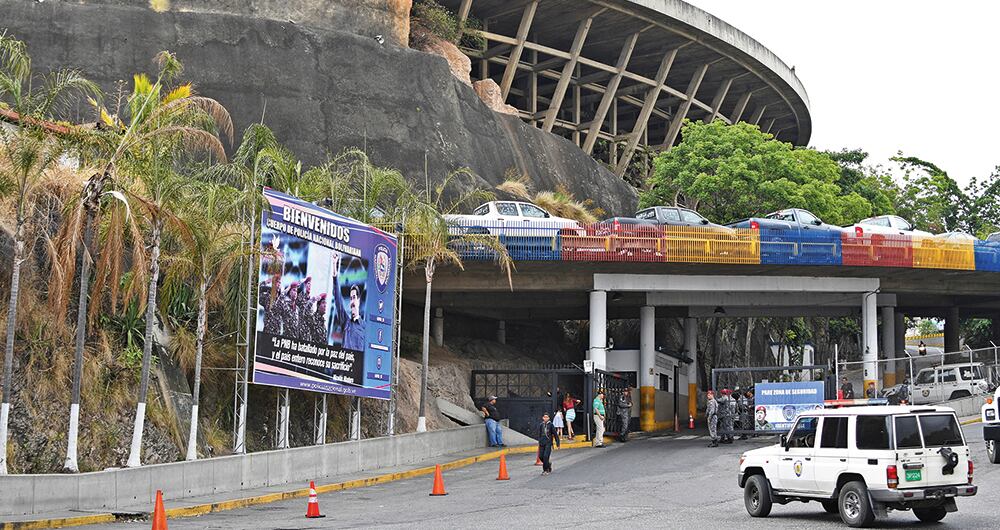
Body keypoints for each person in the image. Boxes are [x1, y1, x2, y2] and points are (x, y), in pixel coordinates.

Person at [330, 254, 366, 351]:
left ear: (358, 300)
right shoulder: (346, 321)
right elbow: (338, 299)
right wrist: (334, 266)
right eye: (350, 298)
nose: (352, 301)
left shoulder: (365, 327)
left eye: (354, 297)